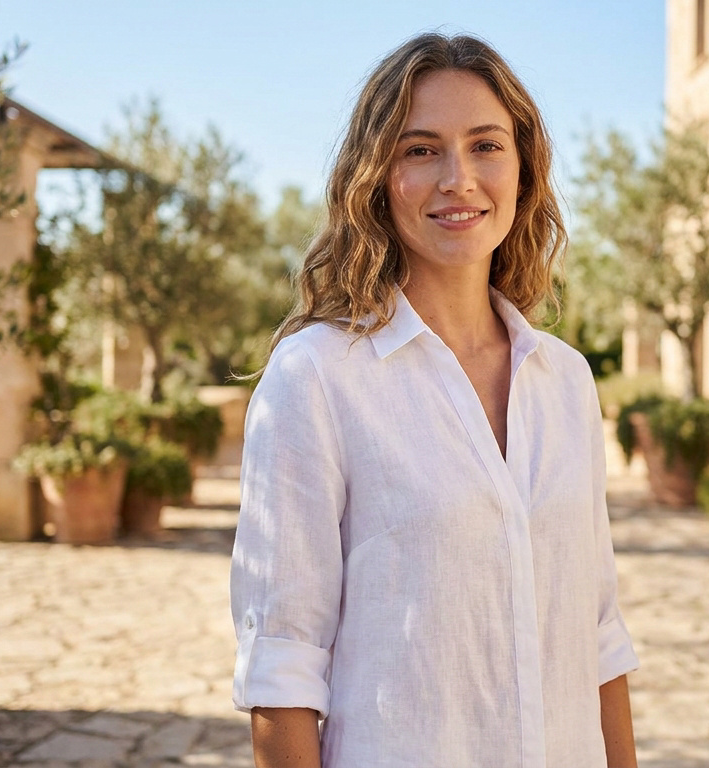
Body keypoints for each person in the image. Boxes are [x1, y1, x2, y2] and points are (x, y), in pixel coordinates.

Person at [230, 32, 640, 768]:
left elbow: (599, 636)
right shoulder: (316, 378)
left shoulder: (567, 382)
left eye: (486, 145)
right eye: (421, 150)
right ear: (378, 178)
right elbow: (282, 669)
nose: (459, 178)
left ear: (523, 169)